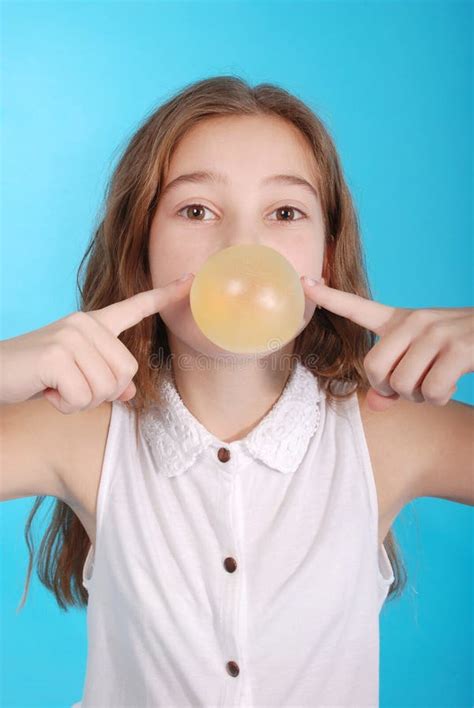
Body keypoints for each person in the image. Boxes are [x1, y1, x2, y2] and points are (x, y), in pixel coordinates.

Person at [1, 75, 472, 708]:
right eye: (196, 210)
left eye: (284, 213)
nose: (241, 248)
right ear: (142, 248)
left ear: (325, 255)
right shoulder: (77, 429)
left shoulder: (391, 432)